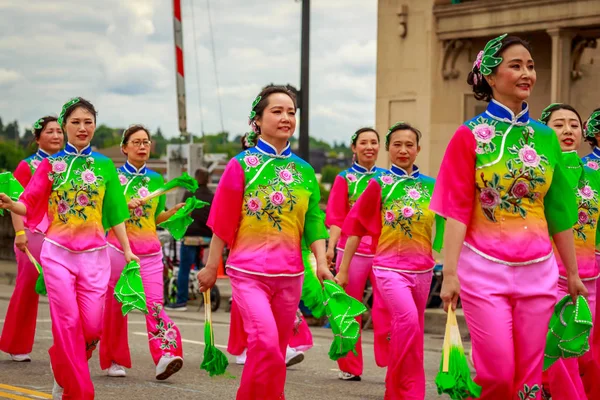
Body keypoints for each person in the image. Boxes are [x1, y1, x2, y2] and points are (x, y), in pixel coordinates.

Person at [430, 35, 587, 399]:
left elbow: (559, 210)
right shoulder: (468, 136)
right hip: (483, 270)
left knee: (529, 381)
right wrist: (449, 274)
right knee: (498, 375)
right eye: (515, 65)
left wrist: (573, 274)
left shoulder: (547, 138)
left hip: (539, 271)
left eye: (530, 66)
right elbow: (455, 208)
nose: (526, 73)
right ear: (489, 75)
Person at [196, 85, 334, 400]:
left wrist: (322, 264)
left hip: (291, 276)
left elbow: (313, 222)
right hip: (248, 273)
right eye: (277, 111)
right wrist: (210, 267)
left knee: (276, 353)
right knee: (266, 342)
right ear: (257, 120)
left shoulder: (305, 171)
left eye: (291, 112)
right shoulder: (240, 165)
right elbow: (222, 221)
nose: (286, 118)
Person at [0, 97, 138, 400]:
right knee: (68, 322)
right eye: (75, 122)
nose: (82, 127)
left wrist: (127, 249)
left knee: (91, 329)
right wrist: (13, 204)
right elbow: (32, 201)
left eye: (88, 122)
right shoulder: (51, 164)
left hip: (94, 257)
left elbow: (115, 212)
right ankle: (78, 391)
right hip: (57, 254)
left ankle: (62, 366)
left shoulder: (104, 166)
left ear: (95, 126)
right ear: (65, 126)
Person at [338, 122, 444, 398]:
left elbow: (450, 226)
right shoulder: (379, 184)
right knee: (407, 321)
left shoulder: (432, 186)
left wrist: (454, 269)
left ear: (418, 149)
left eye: (409, 145)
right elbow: (357, 228)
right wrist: (343, 270)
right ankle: (397, 390)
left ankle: (407, 392)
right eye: (397, 144)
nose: (403, 150)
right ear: (388, 149)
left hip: (423, 271)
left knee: (413, 331)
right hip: (388, 268)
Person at [100, 125, 185, 380]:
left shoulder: (157, 180)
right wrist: (124, 205)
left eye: (146, 142)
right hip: (116, 250)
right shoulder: (112, 178)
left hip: (150, 252)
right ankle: (113, 360)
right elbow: (102, 215)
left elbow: (154, 217)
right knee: (116, 307)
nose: (142, 146)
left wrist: (171, 214)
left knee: (155, 305)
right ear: (124, 148)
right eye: (136, 142)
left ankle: (165, 356)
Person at [539, 103, 600, 399]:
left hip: (588, 275)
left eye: (574, 124)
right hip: (548, 272)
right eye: (559, 124)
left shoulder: (594, 173)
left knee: (580, 349)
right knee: (561, 350)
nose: (567, 130)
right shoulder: (541, 171)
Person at [325, 127, 388, 381]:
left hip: (383, 251)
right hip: (350, 254)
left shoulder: (387, 179)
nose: (369, 147)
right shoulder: (344, 179)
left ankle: (392, 361)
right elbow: (337, 219)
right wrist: (330, 248)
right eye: (364, 143)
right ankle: (349, 366)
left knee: (388, 308)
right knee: (349, 310)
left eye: (374, 142)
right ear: (354, 148)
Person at [0, 116, 64, 362]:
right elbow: (17, 202)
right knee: (27, 289)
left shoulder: (68, 166)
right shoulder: (26, 167)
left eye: (59, 131)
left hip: (61, 234)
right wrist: (20, 234)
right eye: (50, 131)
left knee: (65, 291)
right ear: (37, 137)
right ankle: (17, 345)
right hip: (32, 235)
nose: (57, 136)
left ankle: (69, 346)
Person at [165, 167, 214, 311]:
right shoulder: (212, 196)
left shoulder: (189, 194)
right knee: (203, 266)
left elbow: (182, 214)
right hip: (207, 237)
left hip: (190, 236)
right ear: (208, 180)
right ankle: (207, 299)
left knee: (184, 269)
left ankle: (181, 301)